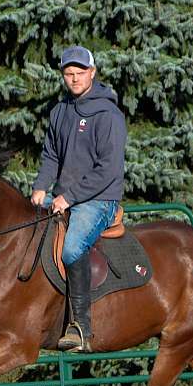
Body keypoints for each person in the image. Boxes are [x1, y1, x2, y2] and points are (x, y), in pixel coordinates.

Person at [31, 45, 127, 352]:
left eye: (79, 73)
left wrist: (68, 197)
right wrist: (40, 187)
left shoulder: (107, 114)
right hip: (63, 197)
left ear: (92, 73)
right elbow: (51, 155)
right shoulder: (60, 112)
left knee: (72, 249)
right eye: (68, 74)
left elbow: (108, 169)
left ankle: (81, 327)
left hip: (99, 199)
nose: (73, 79)